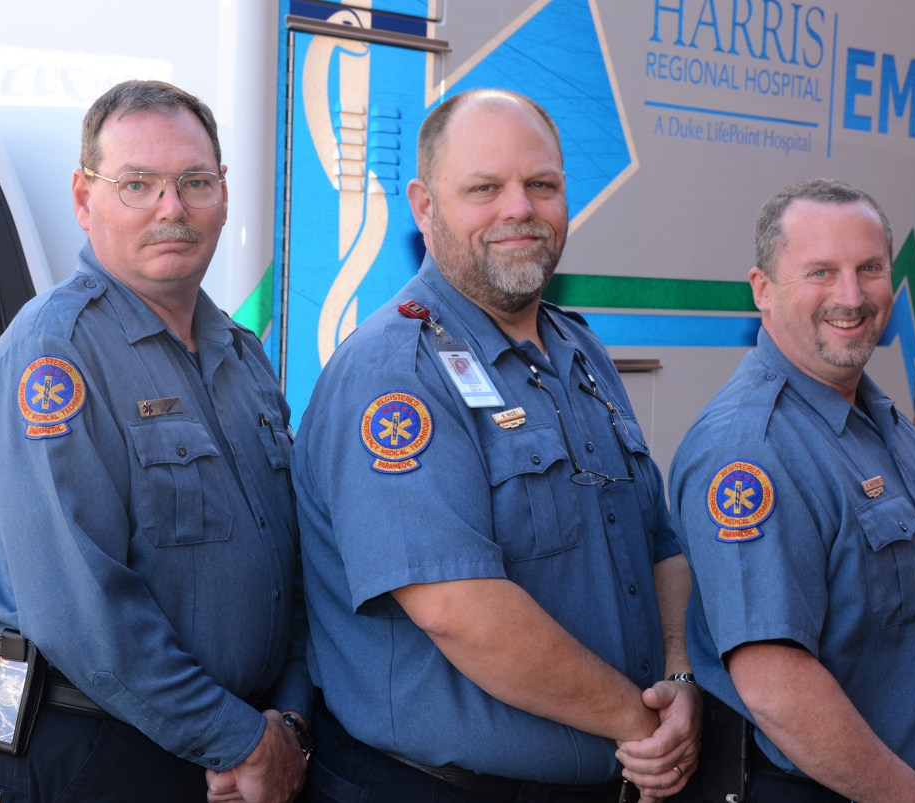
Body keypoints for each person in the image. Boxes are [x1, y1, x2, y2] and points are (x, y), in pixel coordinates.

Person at [292, 89, 702, 803]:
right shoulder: (396, 373)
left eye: (541, 185)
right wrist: (641, 722)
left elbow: (660, 540)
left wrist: (680, 674)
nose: (520, 209)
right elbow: (461, 609)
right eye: (485, 188)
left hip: (611, 771)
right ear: (424, 206)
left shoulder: (579, 350)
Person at [0, 81, 311, 803]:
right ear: (84, 199)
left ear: (224, 196)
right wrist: (239, 738)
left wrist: (286, 723)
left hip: (230, 762)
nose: (171, 208)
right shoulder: (52, 354)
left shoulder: (243, 356)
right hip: (97, 754)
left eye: (194, 182)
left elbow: (292, 567)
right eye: (136, 184)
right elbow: (84, 611)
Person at [666, 178, 915, 803]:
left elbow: (914, 628)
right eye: (820, 272)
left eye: (870, 268)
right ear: (763, 290)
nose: (851, 295)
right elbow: (776, 687)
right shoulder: (751, 449)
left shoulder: (882, 424)